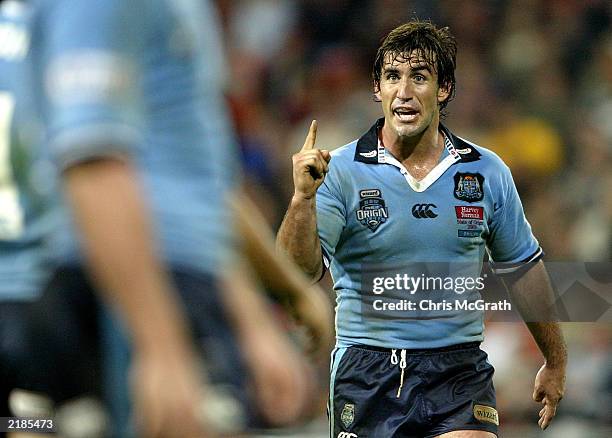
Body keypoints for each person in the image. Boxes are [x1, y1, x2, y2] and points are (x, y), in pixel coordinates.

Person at [6, 0, 331, 436]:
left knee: (27, 422)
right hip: (126, 289)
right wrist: (160, 344)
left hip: (154, 284)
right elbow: (97, 163)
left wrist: (249, 316)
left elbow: (191, 180)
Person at [277, 20, 567, 437]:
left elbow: (522, 268)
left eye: (419, 77)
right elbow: (296, 271)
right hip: (368, 371)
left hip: (458, 371)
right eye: (392, 77)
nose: (404, 91)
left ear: (444, 87)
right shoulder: (336, 170)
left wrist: (554, 360)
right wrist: (301, 200)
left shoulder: (486, 172)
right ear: (377, 88)